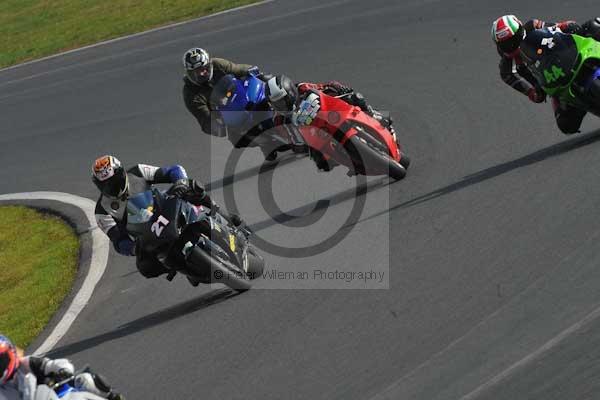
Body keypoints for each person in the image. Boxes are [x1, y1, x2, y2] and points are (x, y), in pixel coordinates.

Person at [92, 155, 241, 284]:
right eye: (105, 185)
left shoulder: (137, 172)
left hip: (165, 208)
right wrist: (132, 248)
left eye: (114, 181)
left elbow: (172, 170)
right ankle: (187, 269)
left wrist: (181, 182)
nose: (111, 187)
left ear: (122, 173)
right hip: (148, 237)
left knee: (193, 188)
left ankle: (224, 214)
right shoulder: (101, 211)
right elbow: (118, 240)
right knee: (146, 268)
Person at [491, 15, 600, 134]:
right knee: (566, 125)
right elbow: (528, 91)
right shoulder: (507, 69)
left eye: (513, 39)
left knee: (593, 26)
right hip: (552, 82)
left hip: (564, 56)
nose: (512, 45)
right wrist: (534, 93)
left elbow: (556, 27)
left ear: (520, 30)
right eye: (506, 44)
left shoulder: (533, 26)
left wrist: (566, 25)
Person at [265, 75, 396, 171]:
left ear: (290, 92)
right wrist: (299, 146)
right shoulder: (279, 119)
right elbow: (292, 140)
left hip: (330, 113)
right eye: (277, 104)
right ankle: (352, 162)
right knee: (322, 164)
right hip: (316, 135)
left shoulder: (302, 88)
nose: (281, 106)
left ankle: (374, 115)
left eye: (282, 101)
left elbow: (326, 86)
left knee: (354, 98)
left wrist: (340, 89)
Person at [181, 47, 279, 158]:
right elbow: (204, 119)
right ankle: (265, 143)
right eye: (197, 71)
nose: (202, 73)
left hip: (243, 95)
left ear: (209, 64)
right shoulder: (190, 94)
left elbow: (237, 69)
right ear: (189, 73)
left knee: (271, 85)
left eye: (204, 68)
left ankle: (294, 100)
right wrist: (218, 127)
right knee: (237, 140)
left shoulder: (218, 64)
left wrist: (254, 71)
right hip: (227, 114)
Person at [0, 335, 123, 400]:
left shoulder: (28, 363)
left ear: (11, 351)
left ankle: (114, 397)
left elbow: (54, 364)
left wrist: (63, 371)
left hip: (59, 393)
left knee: (86, 381)